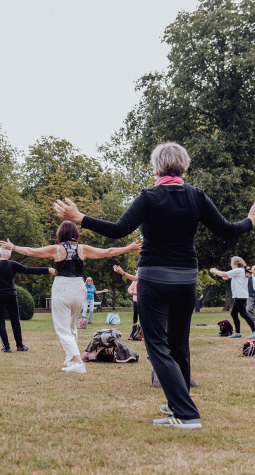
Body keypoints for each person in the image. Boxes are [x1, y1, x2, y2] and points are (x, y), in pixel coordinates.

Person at [54, 141, 255, 429]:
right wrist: (250, 220)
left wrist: (80, 218)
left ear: (156, 167)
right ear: (183, 166)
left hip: (154, 280)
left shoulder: (149, 197)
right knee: (178, 345)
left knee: (158, 347)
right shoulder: (196, 196)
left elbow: (119, 229)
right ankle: (177, 404)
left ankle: (186, 414)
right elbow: (227, 230)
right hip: (185, 280)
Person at [0, 221, 140, 374]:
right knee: (72, 326)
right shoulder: (82, 249)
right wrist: (128, 248)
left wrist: (13, 247)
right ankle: (70, 359)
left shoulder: (57, 249)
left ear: (61, 234)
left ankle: (79, 362)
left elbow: (31, 251)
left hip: (63, 287)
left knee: (63, 328)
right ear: (75, 234)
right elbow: (108, 251)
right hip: (79, 289)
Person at [209, 257, 255, 339]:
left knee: (244, 314)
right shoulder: (241, 271)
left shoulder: (238, 270)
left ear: (235, 264)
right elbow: (226, 276)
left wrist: (214, 271)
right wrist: (222, 275)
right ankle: (237, 333)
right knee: (234, 313)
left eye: (231, 263)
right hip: (239, 296)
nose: (230, 265)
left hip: (239, 296)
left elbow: (224, 274)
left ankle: (254, 331)